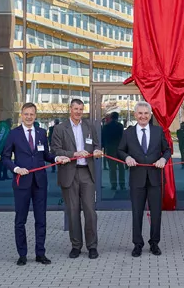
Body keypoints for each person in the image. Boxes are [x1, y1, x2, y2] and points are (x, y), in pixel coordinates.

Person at [1, 102, 64, 266]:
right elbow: (6, 158)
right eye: (26, 114)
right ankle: (22, 254)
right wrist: (16, 168)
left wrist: (57, 159)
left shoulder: (42, 133)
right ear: (21, 115)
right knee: (20, 220)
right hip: (22, 182)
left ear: (35, 116)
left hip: (39, 183)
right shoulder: (13, 134)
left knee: (41, 219)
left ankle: (40, 253)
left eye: (32, 114)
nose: (29, 117)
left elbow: (47, 155)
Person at [51, 99, 102, 259]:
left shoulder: (89, 126)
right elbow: (55, 150)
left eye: (81, 109)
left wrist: (97, 151)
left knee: (90, 212)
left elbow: (96, 145)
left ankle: (92, 246)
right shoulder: (59, 129)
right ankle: (76, 246)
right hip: (69, 173)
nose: (78, 112)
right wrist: (73, 154)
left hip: (87, 172)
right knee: (73, 212)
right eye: (76, 108)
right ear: (70, 109)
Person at [116, 101, 169, 256]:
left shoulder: (158, 131)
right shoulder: (128, 133)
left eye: (146, 113)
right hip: (136, 178)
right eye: (140, 113)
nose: (143, 116)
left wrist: (163, 160)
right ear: (135, 115)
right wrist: (126, 158)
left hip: (155, 178)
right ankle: (137, 244)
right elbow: (120, 150)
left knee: (156, 213)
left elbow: (167, 150)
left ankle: (154, 243)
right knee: (137, 213)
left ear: (150, 115)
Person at [102, 112, 126, 191]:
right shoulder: (120, 126)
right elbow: (123, 138)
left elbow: (103, 138)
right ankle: (122, 184)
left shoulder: (106, 127)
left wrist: (103, 147)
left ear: (111, 117)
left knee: (112, 169)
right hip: (120, 149)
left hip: (110, 149)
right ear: (117, 117)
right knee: (121, 168)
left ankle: (113, 184)